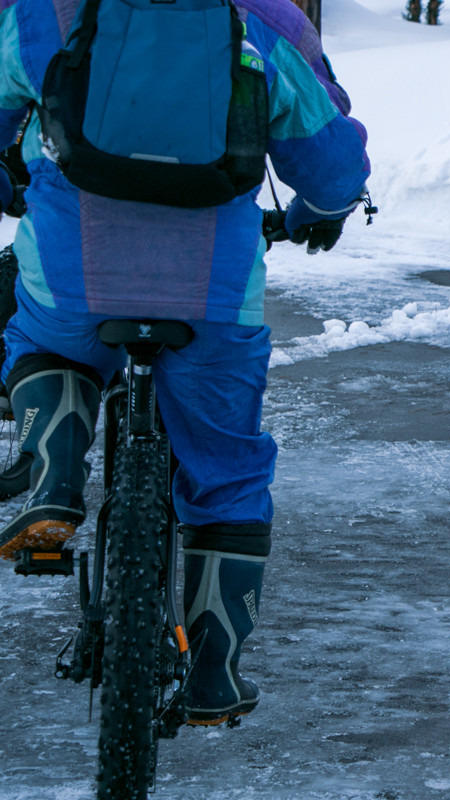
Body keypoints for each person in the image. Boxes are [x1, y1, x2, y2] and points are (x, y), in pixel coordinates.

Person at [0, 0, 370, 725]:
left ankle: (54, 474)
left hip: (74, 274)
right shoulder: (267, 19)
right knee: (228, 470)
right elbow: (332, 164)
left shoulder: (41, 8)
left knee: (42, 342)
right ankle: (214, 670)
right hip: (213, 296)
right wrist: (318, 212)